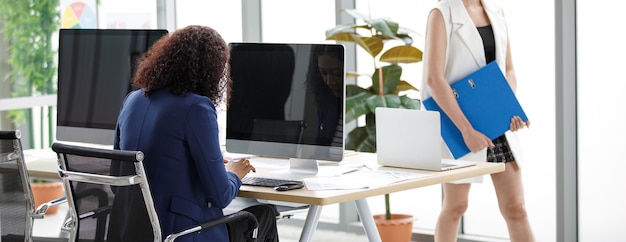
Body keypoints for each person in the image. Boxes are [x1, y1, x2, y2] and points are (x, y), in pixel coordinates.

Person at [111, 25, 279, 242]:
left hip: (132, 231)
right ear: (213, 70)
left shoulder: (132, 101)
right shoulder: (197, 108)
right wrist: (234, 173)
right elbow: (221, 195)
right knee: (264, 214)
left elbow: (118, 174)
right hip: (182, 234)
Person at [421, 0, 535, 241]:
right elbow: (433, 79)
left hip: (497, 126)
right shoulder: (442, 14)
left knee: (516, 208)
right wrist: (466, 130)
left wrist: (506, 107)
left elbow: (509, 70)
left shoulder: (497, 11)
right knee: (456, 207)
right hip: (459, 124)